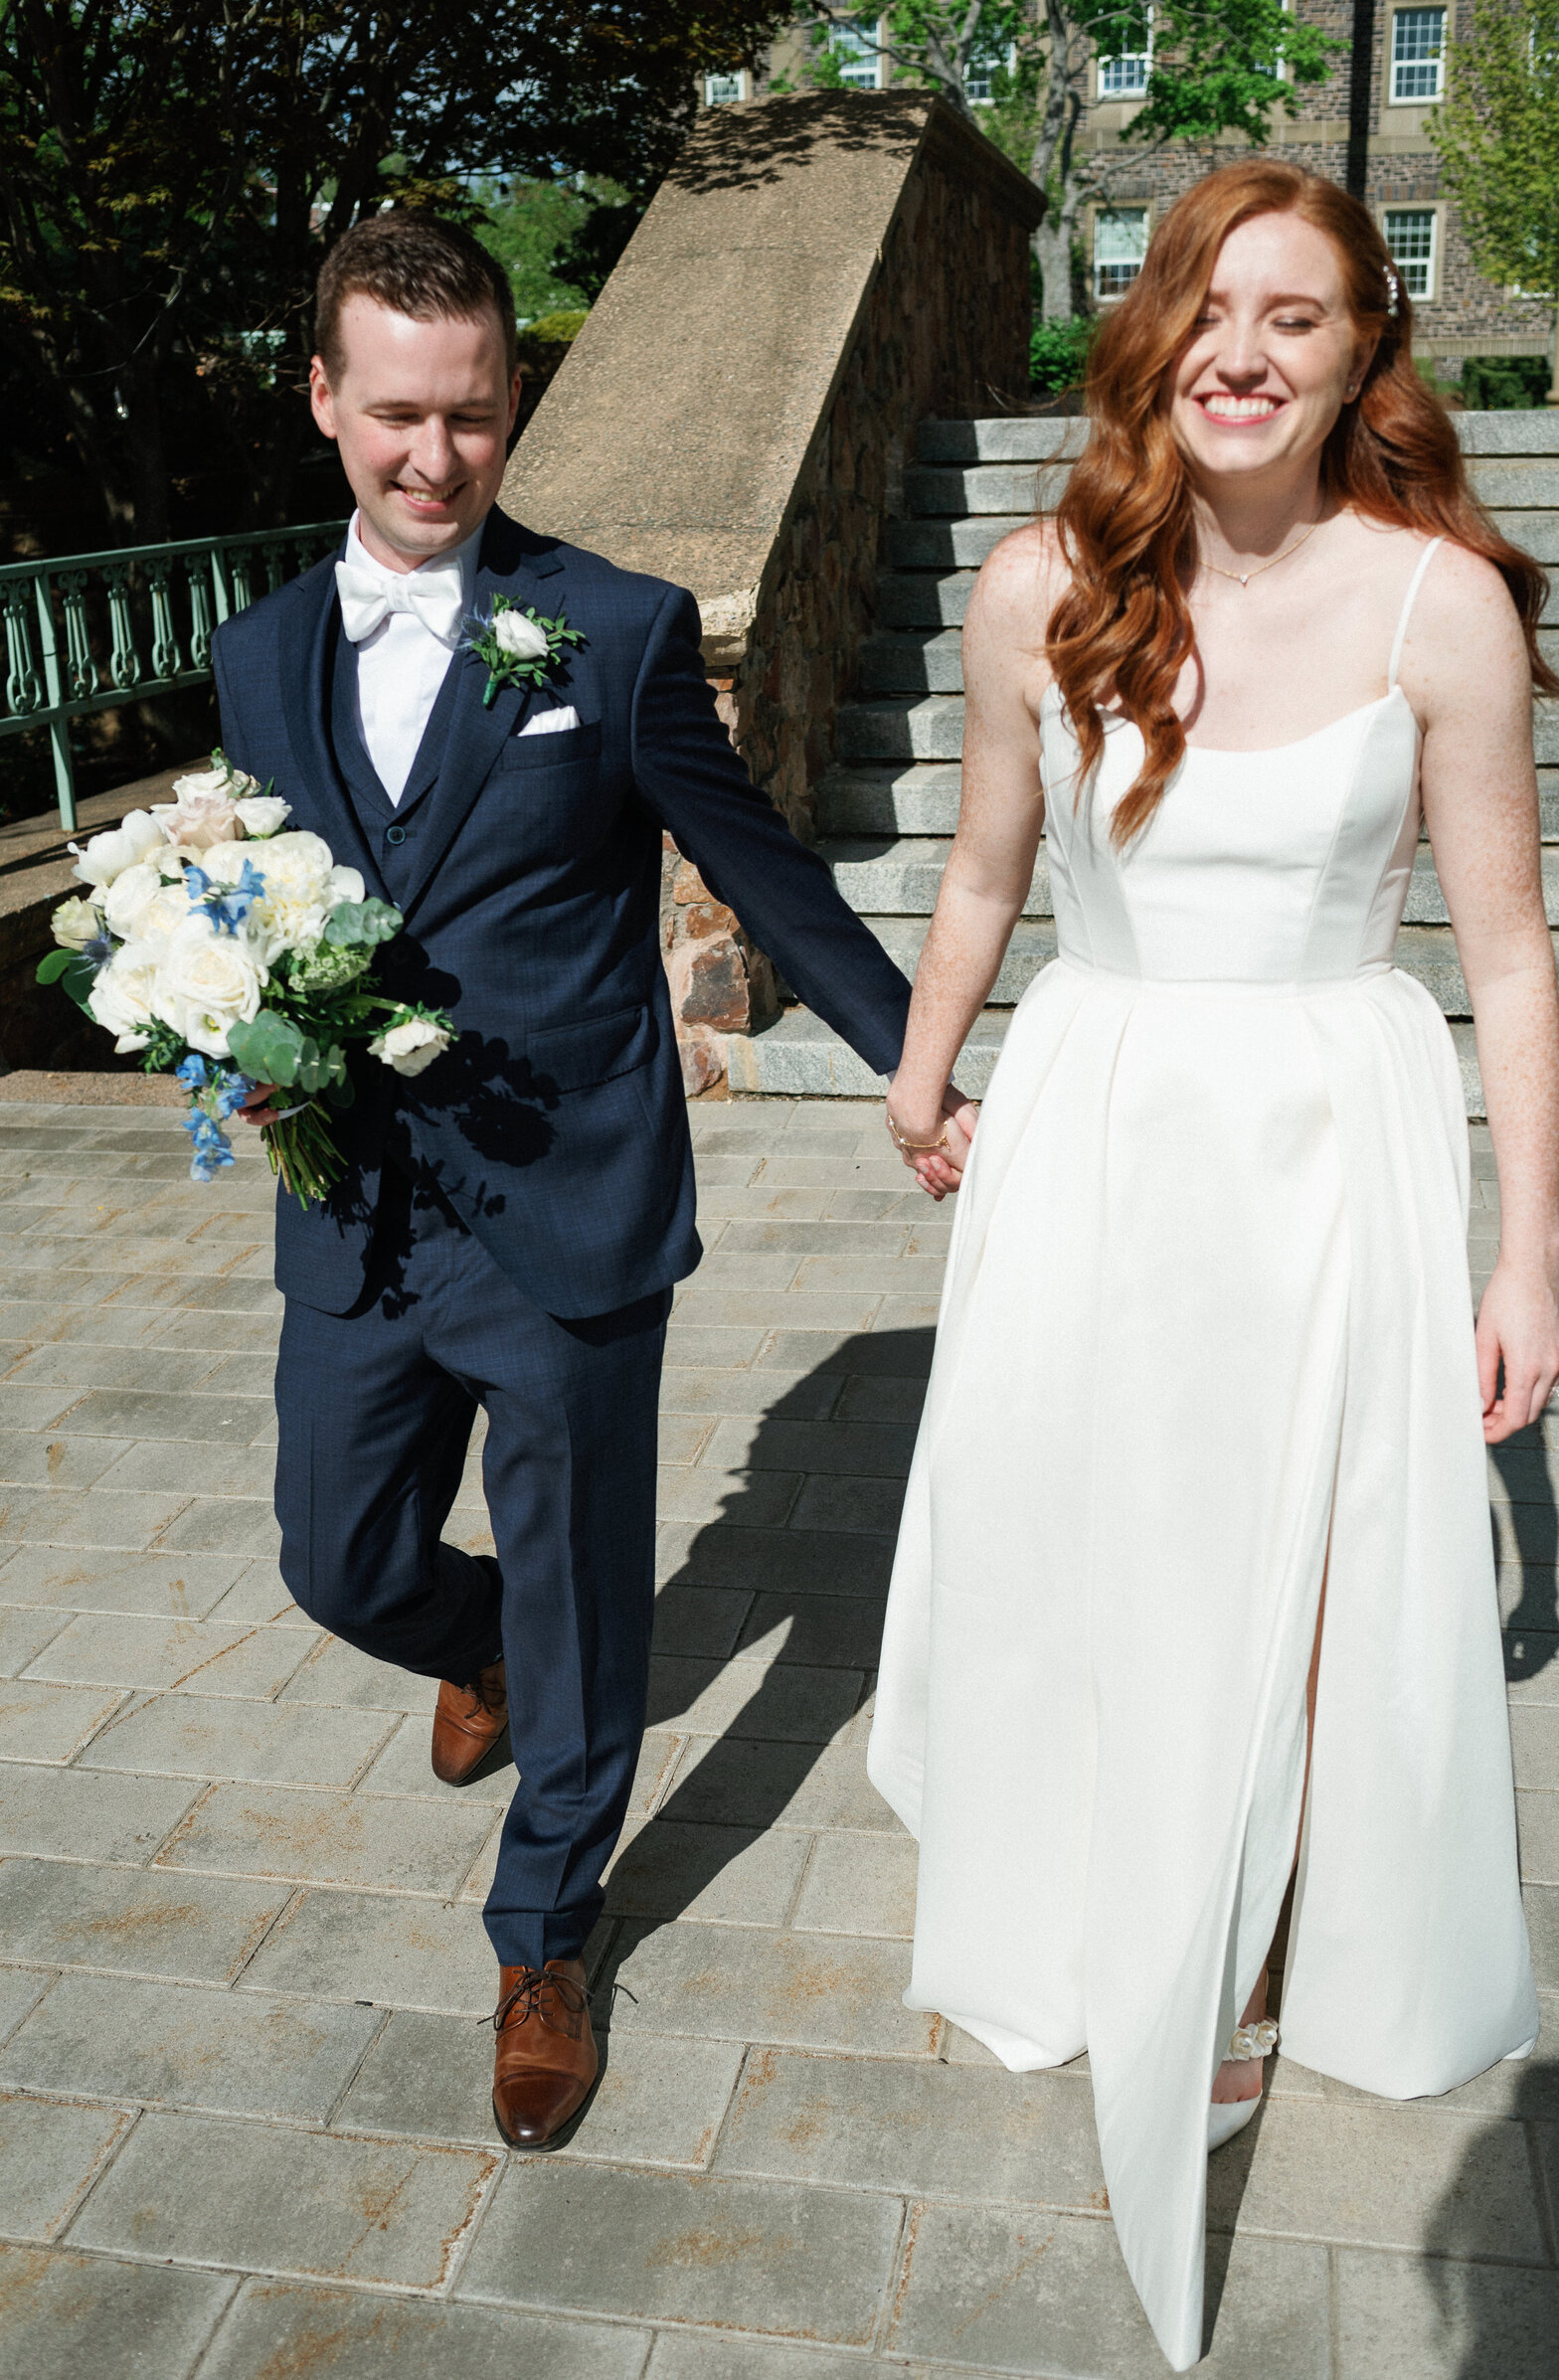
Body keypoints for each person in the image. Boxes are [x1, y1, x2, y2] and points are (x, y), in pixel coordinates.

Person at [867, 160, 1553, 2372]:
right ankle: (1091, 1873)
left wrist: (1527, 1253)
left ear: (1365, 347)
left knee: (1308, 1556)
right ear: (1150, 331)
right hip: (1091, 1117)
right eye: (1205, 308)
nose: (1242, 351)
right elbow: (980, 867)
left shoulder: (1436, 604)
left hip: (1325, 1132)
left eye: (1296, 314)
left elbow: (1513, 954)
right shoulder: (1030, 586)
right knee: (1088, 1531)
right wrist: (919, 1055)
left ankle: (1247, 1953)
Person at [212, 212, 954, 2151]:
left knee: (583, 1594)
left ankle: (545, 1932)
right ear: (321, 398)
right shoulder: (257, 652)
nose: (432, 457)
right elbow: (269, 899)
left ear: (511, 398)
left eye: (468, 415)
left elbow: (764, 862)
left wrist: (919, 1052)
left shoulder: (600, 629)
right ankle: (474, 1644)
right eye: (393, 415)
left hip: (566, 1203)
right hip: (353, 1200)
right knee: (334, 1551)